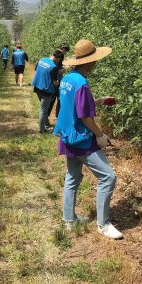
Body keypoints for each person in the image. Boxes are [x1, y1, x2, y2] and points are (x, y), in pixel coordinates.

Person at [53, 39, 123, 240]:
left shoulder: (68, 79)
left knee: (72, 177)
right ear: (89, 62)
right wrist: (100, 135)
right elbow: (84, 116)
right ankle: (103, 224)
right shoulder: (82, 83)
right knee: (108, 177)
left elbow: (75, 104)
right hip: (81, 138)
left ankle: (69, 220)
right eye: (95, 60)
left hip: (67, 135)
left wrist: (99, 101)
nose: (96, 63)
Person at [32, 49, 64, 133]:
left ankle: (46, 124)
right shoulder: (54, 67)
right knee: (43, 110)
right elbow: (55, 83)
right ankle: (41, 130)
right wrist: (58, 82)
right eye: (60, 60)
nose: (59, 62)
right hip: (46, 90)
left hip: (37, 86)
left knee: (44, 108)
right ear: (58, 58)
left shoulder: (41, 60)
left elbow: (36, 70)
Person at [48, 43, 71, 121]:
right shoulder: (56, 58)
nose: (65, 52)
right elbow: (57, 71)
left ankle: (57, 116)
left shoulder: (58, 56)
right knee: (53, 98)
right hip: (55, 80)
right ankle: (47, 115)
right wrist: (66, 68)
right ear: (61, 48)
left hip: (59, 80)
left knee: (59, 98)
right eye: (64, 50)